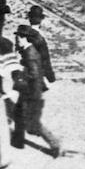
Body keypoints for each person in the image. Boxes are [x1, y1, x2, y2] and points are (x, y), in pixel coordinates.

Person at [11, 24, 61, 158]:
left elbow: (33, 74)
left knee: (34, 123)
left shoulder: (30, 54)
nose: (17, 40)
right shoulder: (28, 50)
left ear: (24, 38)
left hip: (31, 92)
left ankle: (54, 144)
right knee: (18, 113)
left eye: (19, 38)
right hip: (30, 91)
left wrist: (19, 74)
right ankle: (17, 140)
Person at [24, 6, 55, 85]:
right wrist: (50, 75)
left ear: (29, 18)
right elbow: (45, 56)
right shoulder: (40, 34)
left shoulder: (25, 32)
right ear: (41, 19)